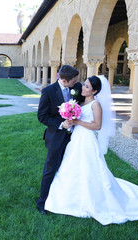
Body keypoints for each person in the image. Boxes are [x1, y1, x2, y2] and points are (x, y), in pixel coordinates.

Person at [44, 75, 138, 225]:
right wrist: (69, 119)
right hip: (76, 138)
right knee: (71, 166)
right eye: (84, 85)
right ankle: (64, 199)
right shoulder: (80, 102)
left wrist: (77, 121)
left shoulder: (96, 105)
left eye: (87, 86)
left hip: (87, 139)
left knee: (89, 169)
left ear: (94, 91)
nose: (83, 88)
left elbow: (97, 126)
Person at [36, 64, 85, 214]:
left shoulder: (76, 87)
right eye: (73, 81)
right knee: (50, 169)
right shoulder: (48, 92)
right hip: (56, 137)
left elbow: (83, 99)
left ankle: (65, 199)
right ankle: (42, 203)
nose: (76, 83)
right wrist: (61, 124)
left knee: (69, 168)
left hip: (75, 136)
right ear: (63, 81)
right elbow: (42, 116)